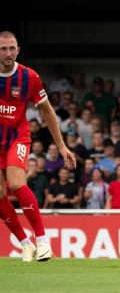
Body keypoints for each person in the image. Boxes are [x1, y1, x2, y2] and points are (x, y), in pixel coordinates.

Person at [0, 31, 76, 262]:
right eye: (3, 48)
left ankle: (42, 242)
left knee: (15, 183)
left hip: (16, 137)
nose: (8, 53)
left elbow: (47, 111)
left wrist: (62, 147)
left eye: (12, 48)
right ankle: (25, 244)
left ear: (18, 50)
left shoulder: (29, 77)